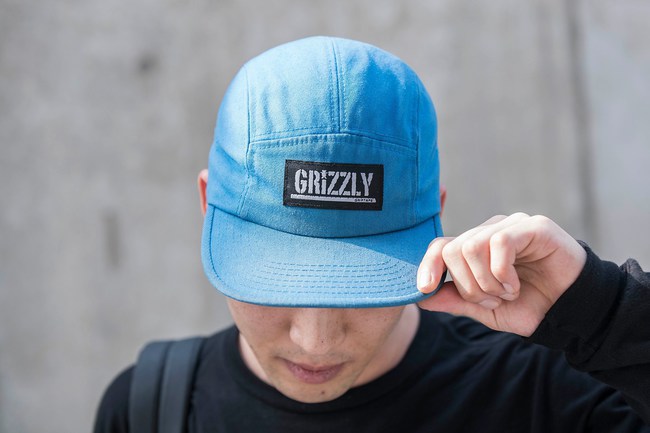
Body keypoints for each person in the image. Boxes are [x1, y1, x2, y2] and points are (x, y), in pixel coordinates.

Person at [94, 36, 650, 432]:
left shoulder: (547, 397)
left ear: (434, 220)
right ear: (206, 204)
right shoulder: (150, 409)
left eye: (360, 286)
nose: (315, 341)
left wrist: (605, 313)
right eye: (277, 282)